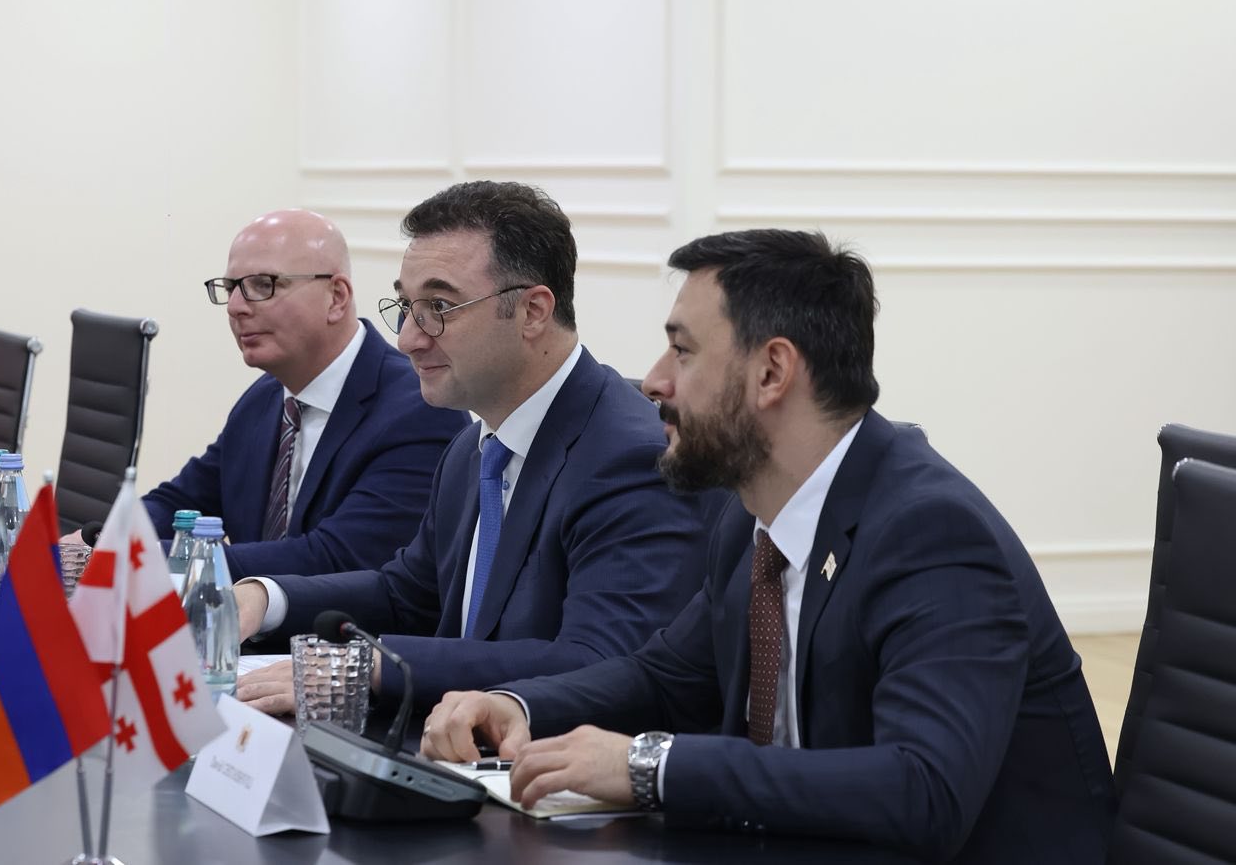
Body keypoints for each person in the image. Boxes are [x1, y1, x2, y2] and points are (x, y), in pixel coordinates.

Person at [420, 230, 1115, 863]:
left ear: (772, 372)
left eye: (683, 350)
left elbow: (923, 789)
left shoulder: (930, 533)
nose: (655, 380)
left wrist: (649, 765)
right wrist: (517, 706)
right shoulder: (750, 515)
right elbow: (664, 678)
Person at [234, 182, 721, 712]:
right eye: (406, 306)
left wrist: (369, 668)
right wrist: (266, 598)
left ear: (533, 311)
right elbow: (406, 595)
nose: (408, 338)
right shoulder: (474, 446)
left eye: (439, 307)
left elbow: (598, 661)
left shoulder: (631, 459)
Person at [139, 209, 470, 580]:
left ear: (336, 297)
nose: (235, 307)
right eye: (231, 288)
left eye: (262, 284)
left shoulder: (419, 409)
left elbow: (334, 559)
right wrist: (105, 538)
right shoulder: (266, 396)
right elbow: (180, 501)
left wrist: (142, 557)